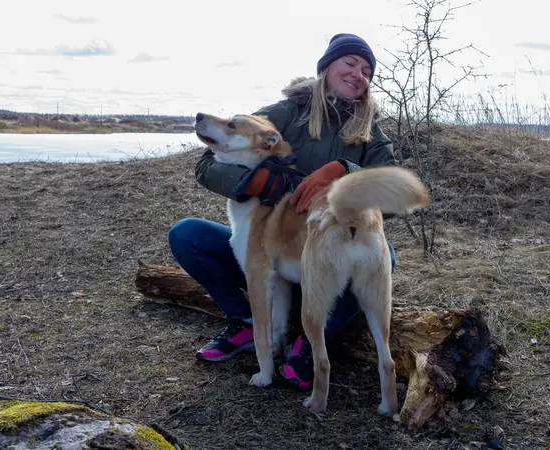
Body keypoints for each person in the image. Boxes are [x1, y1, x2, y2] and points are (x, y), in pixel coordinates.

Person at [168, 33, 396, 390]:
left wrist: (343, 171)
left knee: (386, 257)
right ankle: (245, 321)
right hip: (267, 244)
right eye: (350, 63)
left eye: (367, 71)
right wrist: (251, 182)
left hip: (328, 252)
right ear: (327, 66)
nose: (358, 74)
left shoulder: (370, 132)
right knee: (187, 235)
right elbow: (209, 162)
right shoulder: (284, 112)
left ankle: (311, 339)